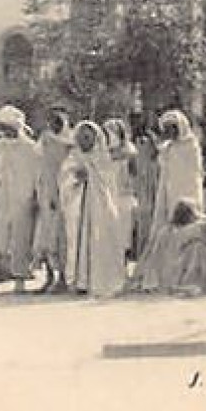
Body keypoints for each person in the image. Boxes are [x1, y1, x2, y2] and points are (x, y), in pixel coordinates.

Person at [135, 109, 205, 293]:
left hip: (188, 193)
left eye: (173, 127)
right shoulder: (166, 148)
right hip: (168, 193)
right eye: (166, 128)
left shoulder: (192, 145)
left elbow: (194, 173)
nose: (170, 132)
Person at [59, 121, 127, 297]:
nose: (84, 141)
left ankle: (97, 280)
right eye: (82, 137)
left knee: (100, 241)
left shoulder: (103, 158)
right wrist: (75, 178)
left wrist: (91, 174)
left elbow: (109, 184)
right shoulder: (73, 158)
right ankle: (79, 281)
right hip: (78, 207)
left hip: (100, 208)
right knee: (77, 243)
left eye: (88, 137)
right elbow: (64, 179)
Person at [0, 104, 42, 292]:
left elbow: (37, 176)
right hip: (2, 199)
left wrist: (35, 197)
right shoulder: (0, 147)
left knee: (21, 239)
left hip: (23, 200)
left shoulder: (31, 149)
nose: (5, 132)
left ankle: (20, 281)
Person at [34, 107, 74, 294]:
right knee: (45, 237)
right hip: (46, 192)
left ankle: (64, 279)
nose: (53, 125)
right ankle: (49, 277)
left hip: (64, 194)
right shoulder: (45, 141)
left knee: (62, 238)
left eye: (57, 122)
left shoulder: (70, 144)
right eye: (51, 122)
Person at [166, 198, 206, 296]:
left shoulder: (170, 231)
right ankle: (201, 282)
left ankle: (189, 283)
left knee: (196, 249)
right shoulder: (202, 226)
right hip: (196, 262)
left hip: (180, 268)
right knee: (198, 248)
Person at [101, 119, 138, 262]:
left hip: (123, 194)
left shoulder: (130, 151)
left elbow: (134, 173)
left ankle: (123, 262)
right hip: (108, 194)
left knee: (123, 232)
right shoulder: (102, 151)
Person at [129, 114, 160, 263]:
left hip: (149, 184)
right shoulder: (131, 143)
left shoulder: (151, 140)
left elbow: (155, 160)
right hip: (139, 186)